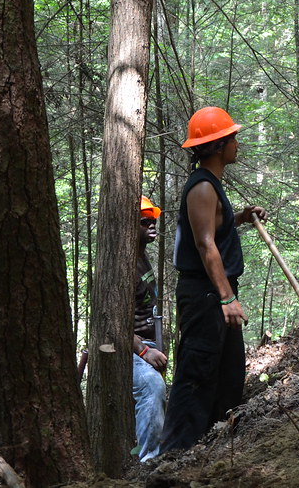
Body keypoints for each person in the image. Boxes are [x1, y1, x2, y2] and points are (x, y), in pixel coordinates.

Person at [160, 106, 266, 452]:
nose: (237, 143)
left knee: (229, 373)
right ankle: (175, 455)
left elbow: (212, 228)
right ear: (218, 144)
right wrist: (226, 298)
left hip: (216, 292)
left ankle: (214, 447)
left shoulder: (211, 186)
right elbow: (205, 245)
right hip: (205, 296)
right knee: (197, 371)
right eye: (232, 137)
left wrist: (240, 217)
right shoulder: (202, 187)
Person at [133, 196, 168, 462]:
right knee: (152, 388)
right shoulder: (123, 265)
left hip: (148, 346)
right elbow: (114, 324)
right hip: (130, 349)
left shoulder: (141, 255)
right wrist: (144, 351)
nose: (152, 225)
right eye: (145, 222)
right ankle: (149, 463)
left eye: (153, 220)